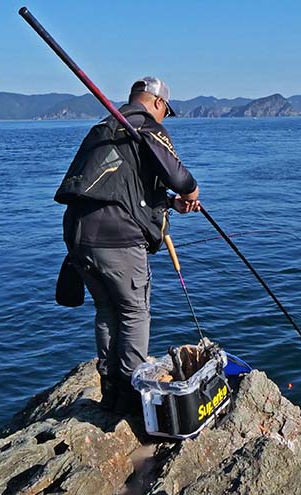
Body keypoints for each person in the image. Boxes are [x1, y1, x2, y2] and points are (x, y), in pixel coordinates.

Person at [54, 76, 200, 414]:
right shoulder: (145, 127)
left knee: (107, 311)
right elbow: (177, 175)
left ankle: (111, 393)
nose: (164, 118)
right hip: (117, 240)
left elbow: (121, 186)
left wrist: (170, 203)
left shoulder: (105, 128)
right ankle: (134, 397)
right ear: (158, 103)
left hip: (79, 237)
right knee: (134, 313)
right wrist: (192, 191)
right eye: (166, 111)